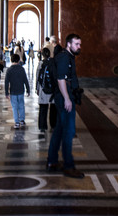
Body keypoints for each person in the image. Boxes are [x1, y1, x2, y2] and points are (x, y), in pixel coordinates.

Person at [47, 34, 84, 178]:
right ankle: (68, 166)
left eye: (79, 44)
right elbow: (61, 79)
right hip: (64, 97)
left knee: (59, 130)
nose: (79, 47)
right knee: (69, 131)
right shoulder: (64, 57)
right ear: (69, 44)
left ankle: (52, 162)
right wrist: (67, 99)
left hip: (65, 95)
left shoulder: (69, 56)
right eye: (76, 44)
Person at [4, 52, 30, 129]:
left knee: (14, 107)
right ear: (18, 60)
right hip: (21, 90)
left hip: (13, 91)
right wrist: (28, 90)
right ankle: (22, 120)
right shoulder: (22, 69)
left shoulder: (9, 70)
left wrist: (6, 93)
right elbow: (25, 80)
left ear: (11, 60)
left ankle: (17, 122)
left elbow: (6, 82)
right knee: (21, 105)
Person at [36, 46, 56, 133]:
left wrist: (37, 88)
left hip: (43, 89)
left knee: (43, 108)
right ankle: (53, 125)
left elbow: (38, 77)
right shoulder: (53, 63)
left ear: (42, 55)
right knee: (53, 108)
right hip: (52, 89)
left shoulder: (41, 63)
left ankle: (42, 126)